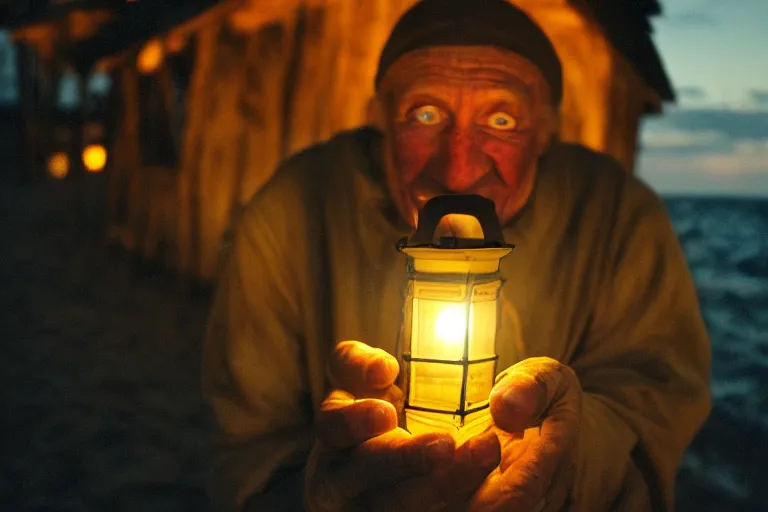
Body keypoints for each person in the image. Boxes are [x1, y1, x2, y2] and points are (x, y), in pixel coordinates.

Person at [202, 1, 711, 510]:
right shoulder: (288, 214)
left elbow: (653, 408)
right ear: (380, 118)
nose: (457, 171)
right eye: (425, 114)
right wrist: (321, 491)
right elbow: (245, 451)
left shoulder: (618, 218)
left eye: (501, 117)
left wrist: (569, 458)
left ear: (546, 129)